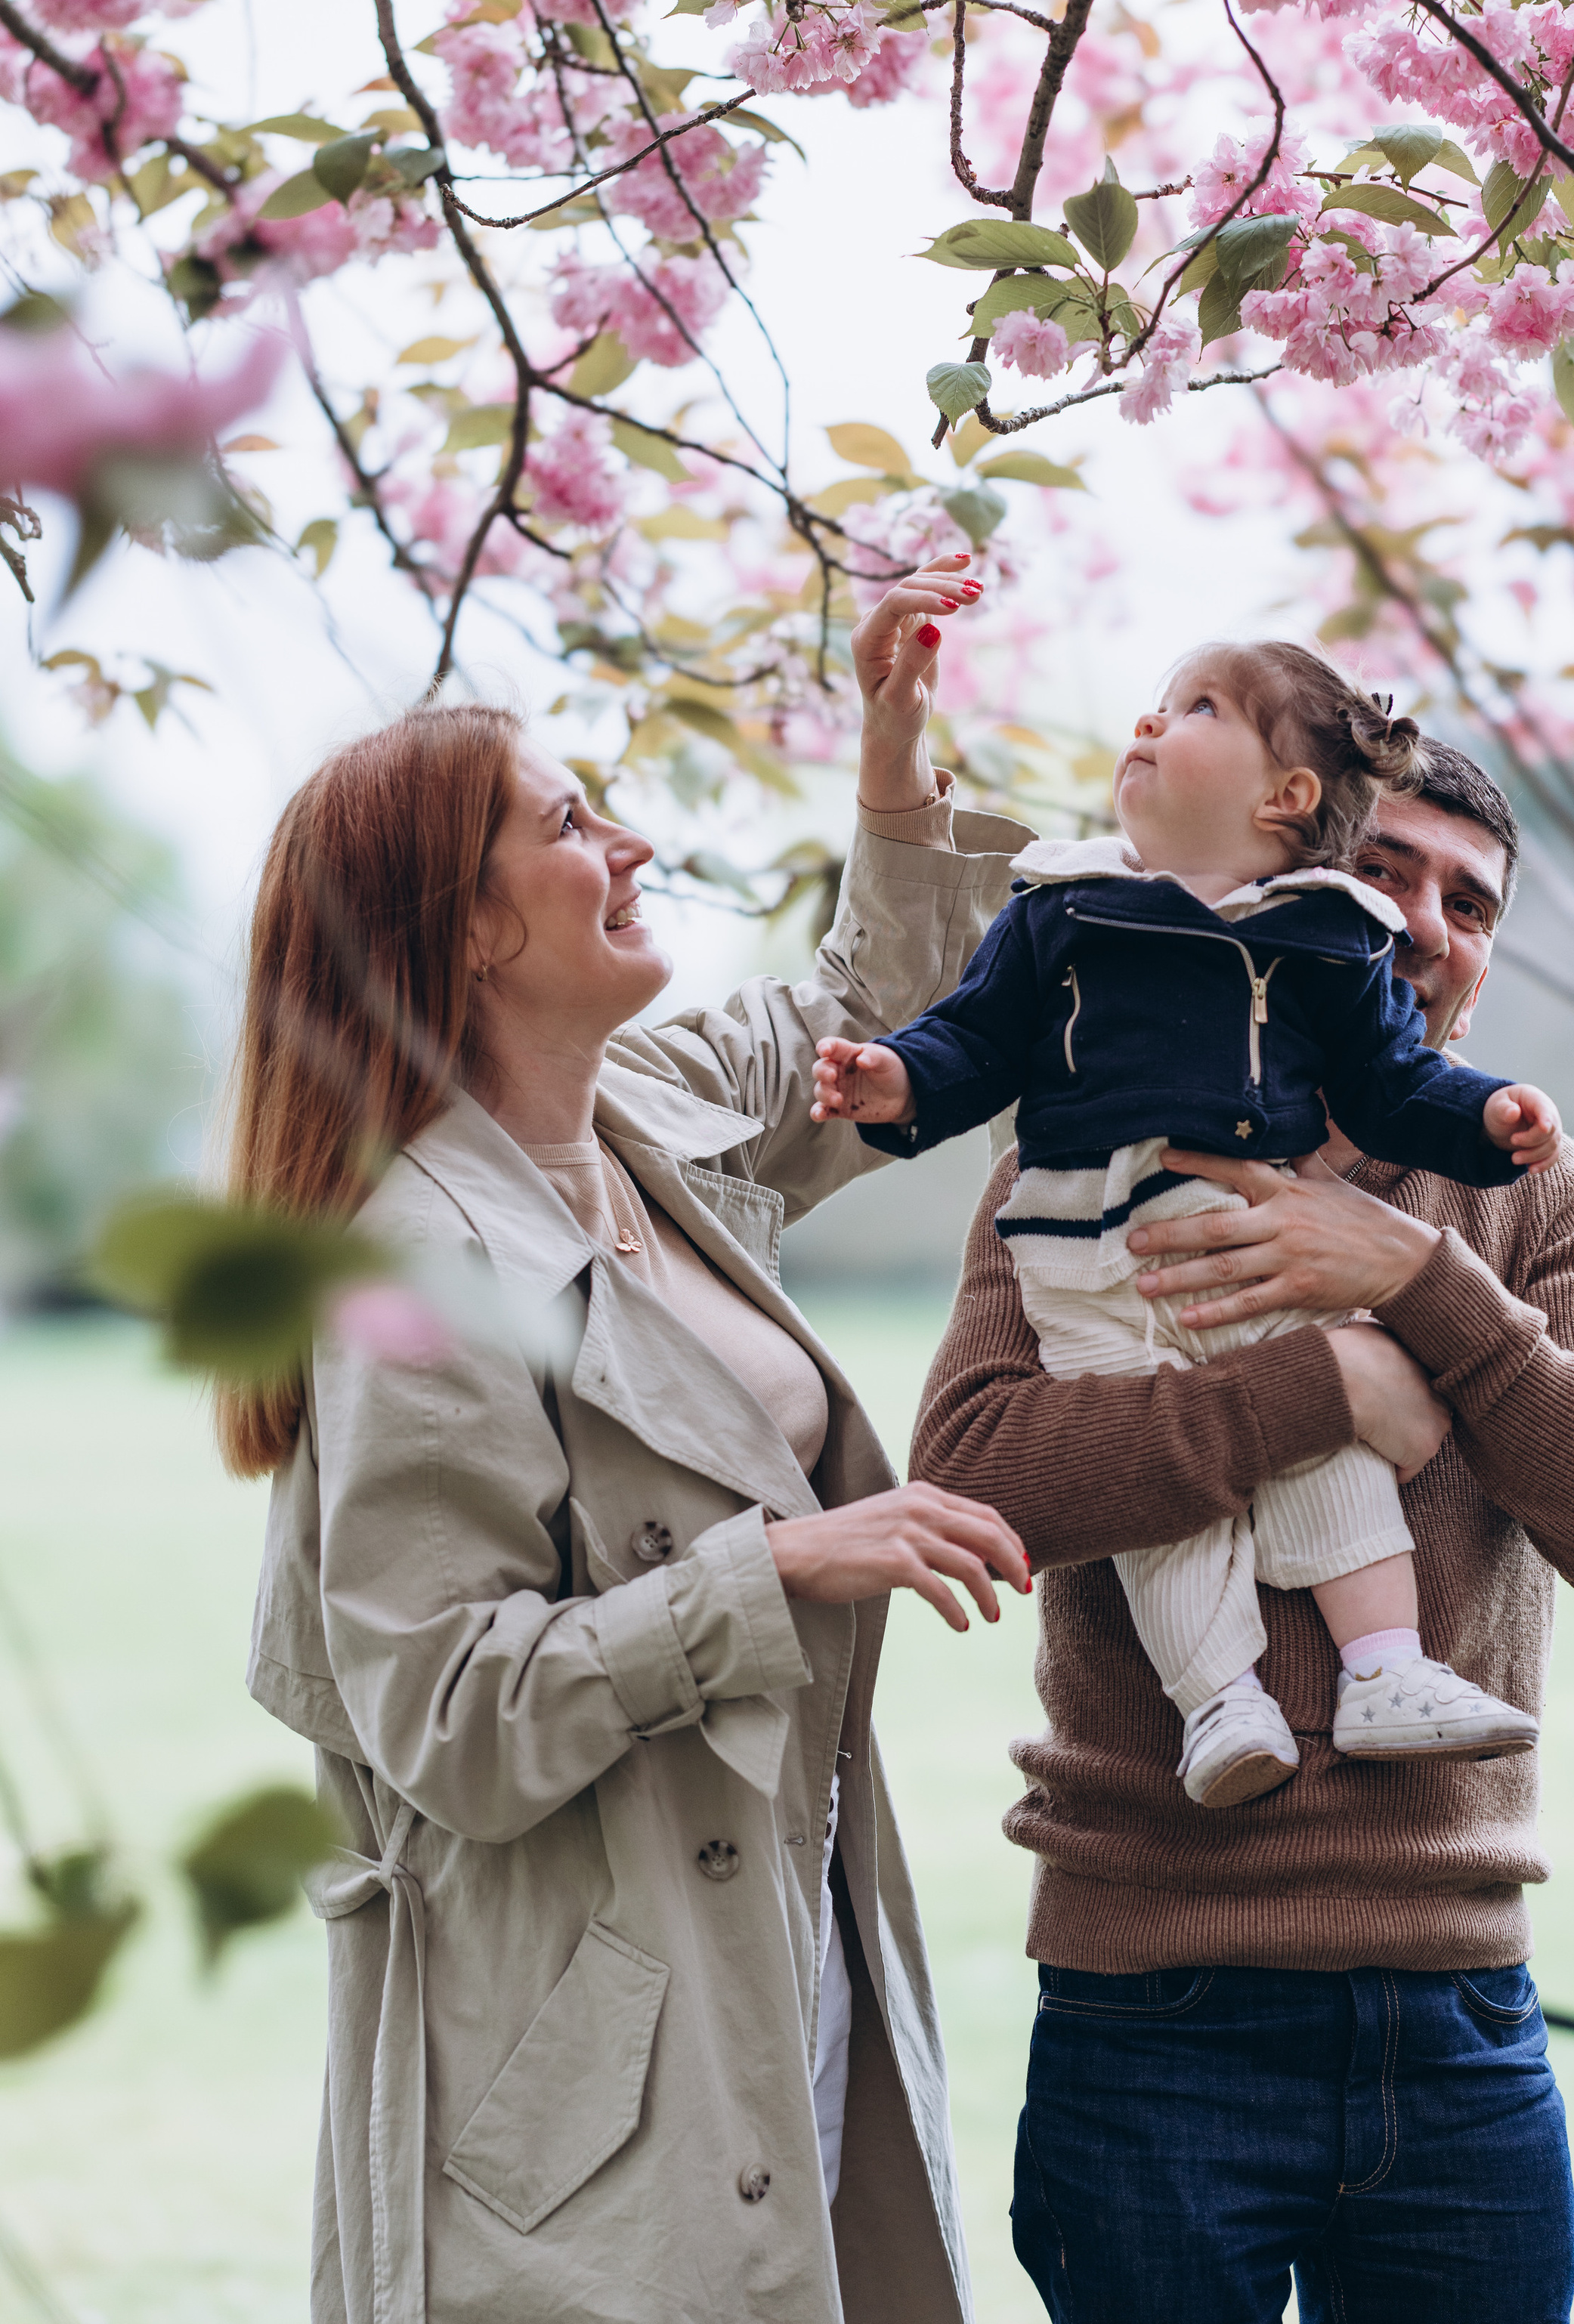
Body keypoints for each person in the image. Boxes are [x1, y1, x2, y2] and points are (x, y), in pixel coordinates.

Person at [227, 553, 1034, 2324]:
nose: (632, 844)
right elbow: (452, 1713)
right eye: (570, 821)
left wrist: (890, 755)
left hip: (774, 1949)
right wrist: (781, 1562)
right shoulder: (415, 1267)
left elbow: (866, 1027)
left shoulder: (639, 1118)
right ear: (462, 930)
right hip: (590, 2066)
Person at [908, 733, 1574, 2324]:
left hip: (1457, 2013)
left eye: (1469, 903)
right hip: (1152, 2006)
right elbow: (975, 1475)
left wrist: (1415, 1279)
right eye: (1385, 871)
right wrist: (1315, 1382)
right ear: (1276, 890)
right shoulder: (1073, 1153)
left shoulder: (1528, 1192)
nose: (1423, 923)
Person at [812, 643, 1560, 1807]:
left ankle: (1385, 1665)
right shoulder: (1061, 912)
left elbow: (1392, 1082)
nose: (1151, 725)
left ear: (1285, 801)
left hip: (1444, 1930)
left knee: (1334, 1456)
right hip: (1079, 1242)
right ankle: (1216, 1698)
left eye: (1467, 904)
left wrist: (1474, 1152)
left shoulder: (1332, 942)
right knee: (1181, 1476)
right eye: (1388, 872)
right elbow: (975, 1035)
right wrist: (899, 1081)